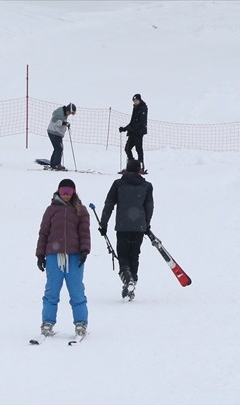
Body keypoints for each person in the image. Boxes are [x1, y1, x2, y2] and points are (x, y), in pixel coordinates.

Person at [35, 178, 91, 338]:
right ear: (58, 192)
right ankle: (47, 322)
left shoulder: (81, 210)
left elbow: (84, 233)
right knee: (51, 291)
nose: (66, 195)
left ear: (74, 192)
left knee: (77, 291)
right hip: (54, 257)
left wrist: (85, 250)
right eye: (63, 192)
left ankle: (81, 322)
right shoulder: (51, 210)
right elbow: (43, 233)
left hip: (74, 257)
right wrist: (40, 254)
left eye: (69, 192)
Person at [98, 158, 154, 299]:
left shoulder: (118, 184)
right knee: (134, 255)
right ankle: (131, 282)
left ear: (126, 169)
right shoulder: (146, 186)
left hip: (122, 226)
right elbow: (149, 207)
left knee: (122, 256)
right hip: (139, 226)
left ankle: (127, 278)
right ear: (140, 170)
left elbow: (109, 204)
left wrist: (103, 223)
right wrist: (146, 224)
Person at [119, 93, 148, 173]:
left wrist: (131, 128)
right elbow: (132, 121)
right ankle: (131, 167)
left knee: (139, 149)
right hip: (132, 132)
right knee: (127, 149)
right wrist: (125, 128)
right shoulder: (136, 108)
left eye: (136, 100)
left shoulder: (143, 108)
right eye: (134, 100)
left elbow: (141, 122)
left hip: (138, 133)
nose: (135, 102)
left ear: (139, 100)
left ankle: (140, 168)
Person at [46, 102, 76, 170]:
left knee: (58, 148)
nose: (70, 114)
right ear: (68, 110)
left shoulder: (64, 112)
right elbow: (57, 122)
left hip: (56, 133)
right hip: (53, 132)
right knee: (59, 148)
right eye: (70, 113)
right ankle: (56, 164)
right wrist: (65, 123)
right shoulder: (60, 113)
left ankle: (53, 164)